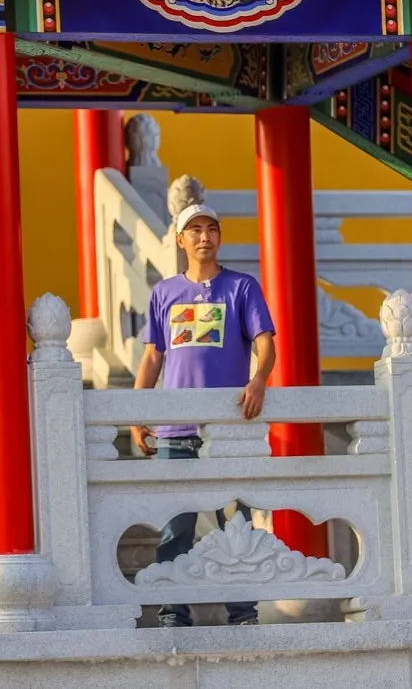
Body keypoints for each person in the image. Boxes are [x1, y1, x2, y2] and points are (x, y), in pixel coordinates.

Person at [131, 202, 276, 628]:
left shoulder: (241, 288)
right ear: (180, 240)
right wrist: (137, 413)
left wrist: (259, 379)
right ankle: (173, 613)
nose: (204, 237)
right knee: (176, 528)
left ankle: (243, 614)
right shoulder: (164, 293)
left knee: (237, 526)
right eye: (194, 230)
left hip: (229, 428)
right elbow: (152, 358)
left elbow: (264, 344)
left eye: (212, 229)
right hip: (175, 430)